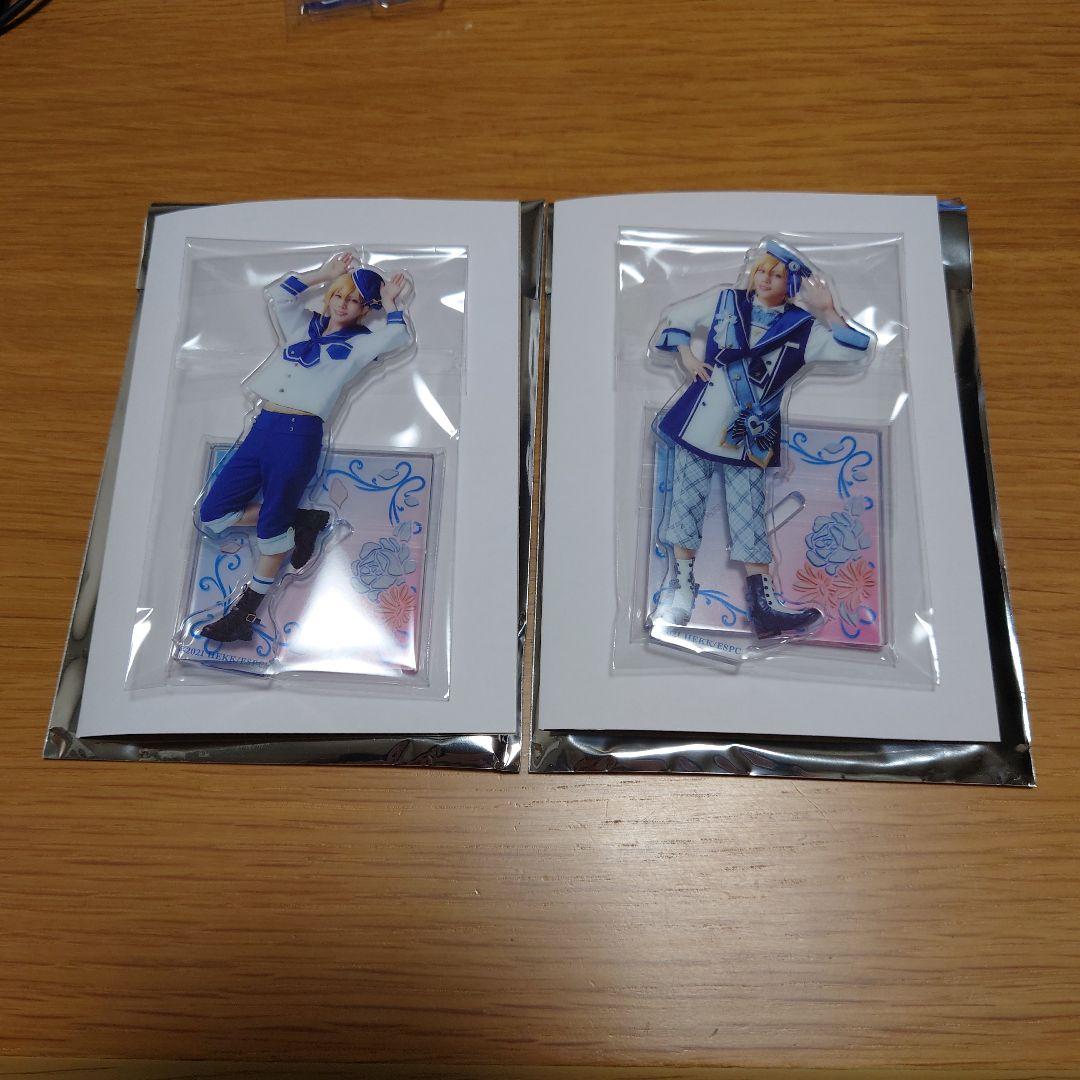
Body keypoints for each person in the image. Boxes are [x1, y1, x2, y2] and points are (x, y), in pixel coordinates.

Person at [650, 239, 871, 639]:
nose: (766, 278)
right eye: (763, 270)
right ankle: (679, 587)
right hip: (701, 420)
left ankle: (763, 606)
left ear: (792, 284)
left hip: (751, 433)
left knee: (749, 513)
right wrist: (688, 358)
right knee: (685, 502)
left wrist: (827, 311)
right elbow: (675, 320)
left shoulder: (803, 327)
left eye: (777, 274)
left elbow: (856, 347)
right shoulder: (725, 301)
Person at [196, 251, 413, 642]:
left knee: (271, 529)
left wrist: (392, 302)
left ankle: (244, 615)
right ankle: (303, 520)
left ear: (365, 309)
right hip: (263, 426)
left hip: (299, 435)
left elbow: (399, 336)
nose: (343, 304)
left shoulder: (361, 344)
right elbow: (279, 296)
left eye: (354, 301)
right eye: (338, 295)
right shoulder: (303, 326)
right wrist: (322, 273)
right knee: (213, 514)